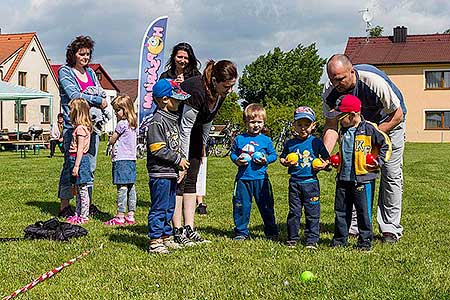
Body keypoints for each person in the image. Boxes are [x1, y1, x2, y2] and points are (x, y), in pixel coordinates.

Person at [322, 54, 407, 244]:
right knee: (354, 172)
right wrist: (325, 155)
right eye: (332, 79)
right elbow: (331, 125)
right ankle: (354, 226)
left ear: (352, 71)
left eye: (340, 78)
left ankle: (390, 229)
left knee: (390, 173)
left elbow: (397, 115)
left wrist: (371, 138)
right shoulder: (330, 92)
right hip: (354, 128)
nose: (337, 83)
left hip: (389, 123)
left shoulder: (373, 82)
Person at [173, 60, 238, 244]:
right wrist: (182, 161)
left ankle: (189, 228)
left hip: (195, 131)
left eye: (232, 86)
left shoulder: (220, 93)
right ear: (215, 80)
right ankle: (177, 231)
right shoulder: (196, 90)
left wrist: (202, 145)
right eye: (227, 86)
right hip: (176, 132)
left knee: (192, 179)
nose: (230, 90)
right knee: (180, 179)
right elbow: (184, 127)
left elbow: (208, 119)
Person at [329, 95, 392, 251]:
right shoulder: (343, 130)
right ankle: (339, 240)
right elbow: (347, 150)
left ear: (351, 115)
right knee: (341, 211)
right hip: (343, 178)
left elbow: (386, 144)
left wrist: (379, 161)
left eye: (340, 116)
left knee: (364, 212)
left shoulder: (369, 128)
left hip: (363, 179)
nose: (338, 120)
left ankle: (365, 242)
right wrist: (337, 159)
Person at [57, 35, 108, 218]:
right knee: (70, 165)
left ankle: (86, 204)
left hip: (91, 125)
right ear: (73, 54)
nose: (85, 57)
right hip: (74, 126)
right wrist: (97, 100)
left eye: (88, 54)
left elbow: (99, 90)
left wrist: (101, 101)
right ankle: (65, 205)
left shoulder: (91, 73)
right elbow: (74, 95)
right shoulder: (65, 71)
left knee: (89, 165)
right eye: (82, 54)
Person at [159, 42, 208, 215]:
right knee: (173, 166)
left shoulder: (196, 76)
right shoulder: (166, 75)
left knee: (191, 171)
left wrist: (185, 85)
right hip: (172, 124)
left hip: (192, 126)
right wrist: (174, 86)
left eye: (186, 57)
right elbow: (160, 97)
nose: (183, 60)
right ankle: (171, 201)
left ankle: (191, 206)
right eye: (180, 56)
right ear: (173, 57)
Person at [147, 79, 191, 253]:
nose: (180, 102)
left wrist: (180, 167)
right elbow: (157, 149)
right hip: (160, 174)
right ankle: (155, 240)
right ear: (165, 99)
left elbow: (175, 145)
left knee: (169, 206)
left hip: (170, 172)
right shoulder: (157, 122)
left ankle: (166, 236)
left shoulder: (172, 120)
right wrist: (177, 160)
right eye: (177, 99)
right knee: (159, 207)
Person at [279, 106, 330, 249]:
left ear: (313, 126)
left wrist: (323, 165)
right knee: (294, 212)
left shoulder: (316, 142)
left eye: (307, 125)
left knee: (312, 212)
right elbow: (282, 158)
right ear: (294, 125)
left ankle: (312, 240)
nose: (303, 128)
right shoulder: (290, 143)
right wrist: (285, 162)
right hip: (295, 183)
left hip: (311, 183)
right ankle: (292, 239)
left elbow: (327, 159)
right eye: (299, 124)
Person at [230, 104, 278, 240]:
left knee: (266, 206)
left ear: (263, 123)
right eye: (252, 122)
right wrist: (237, 160)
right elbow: (233, 154)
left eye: (259, 122)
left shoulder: (266, 140)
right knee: (241, 206)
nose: (256, 125)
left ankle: (271, 231)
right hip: (243, 180)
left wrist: (266, 160)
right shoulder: (239, 139)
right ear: (245, 122)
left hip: (261, 180)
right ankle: (241, 232)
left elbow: (274, 155)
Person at [103, 95, 137, 226]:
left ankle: (120, 215)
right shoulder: (132, 124)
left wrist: (111, 140)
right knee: (131, 187)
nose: (116, 113)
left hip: (121, 160)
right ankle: (131, 214)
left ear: (125, 109)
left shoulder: (121, 124)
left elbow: (113, 139)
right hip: (131, 160)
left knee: (122, 187)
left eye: (118, 110)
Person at [65, 98, 93, 225]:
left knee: (82, 189)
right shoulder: (78, 128)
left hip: (80, 161)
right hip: (74, 159)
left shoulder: (81, 129)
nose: (69, 112)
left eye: (71, 110)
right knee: (77, 188)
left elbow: (80, 148)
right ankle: (77, 213)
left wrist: (76, 166)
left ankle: (84, 215)